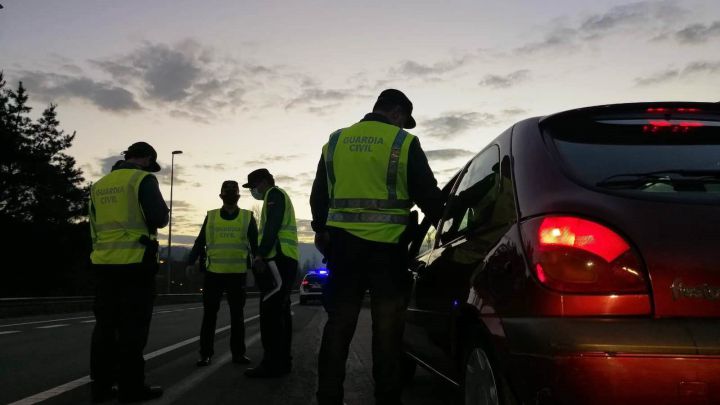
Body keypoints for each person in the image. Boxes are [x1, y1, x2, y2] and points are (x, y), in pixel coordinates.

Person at [310, 89, 443, 405]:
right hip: (388, 252)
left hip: (343, 252)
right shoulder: (403, 143)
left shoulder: (336, 141)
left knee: (339, 326)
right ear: (396, 113)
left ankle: (328, 397)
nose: (403, 129)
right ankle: (386, 399)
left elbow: (319, 196)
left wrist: (321, 230)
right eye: (403, 122)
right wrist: (451, 229)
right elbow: (429, 197)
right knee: (387, 333)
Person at [88, 141, 168, 403]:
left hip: (103, 264)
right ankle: (131, 388)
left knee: (105, 327)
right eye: (150, 164)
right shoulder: (142, 180)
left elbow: (94, 227)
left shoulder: (99, 186)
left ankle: (100, 386)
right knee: (133, 329)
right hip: (135, 263)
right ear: (145, 159)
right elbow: (158, 218)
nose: (150, 169)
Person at [187, 180, 258, 367]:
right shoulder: (211, 217)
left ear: (238, 196)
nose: (230, 195)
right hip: (213, 274)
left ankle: (238, 354)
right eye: (227, 192)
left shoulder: (247, 217)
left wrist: (259, 263)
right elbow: (200, 241)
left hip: (237, 275)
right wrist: (189, 261)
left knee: (237, 316)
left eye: (233, 192)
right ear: (221, 196)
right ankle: (205, 354)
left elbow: (256, 245)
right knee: (209, 316)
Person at [242, 168, 299, 378]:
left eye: (253, 186)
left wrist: (260, 254)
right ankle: (283, 362)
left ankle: (272, 363)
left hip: (278, 258)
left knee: (270, 314)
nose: (253, 191)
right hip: (285, 259)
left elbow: (272, 227)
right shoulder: (276, 197)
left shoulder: (274, 195)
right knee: (281, 312)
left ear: (263, 182)